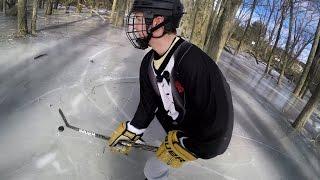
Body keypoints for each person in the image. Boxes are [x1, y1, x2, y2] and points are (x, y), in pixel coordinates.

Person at [108, 0, 234, 179]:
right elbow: (147, 104)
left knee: (153, 169)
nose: (134, 25)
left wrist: (190, 145)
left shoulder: (194, 62)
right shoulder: (147, 64)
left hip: (198, 137)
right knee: (155, 168)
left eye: (138, 18)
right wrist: (133, 129)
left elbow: (220, 125)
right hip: (171, 127)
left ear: (158, 21)